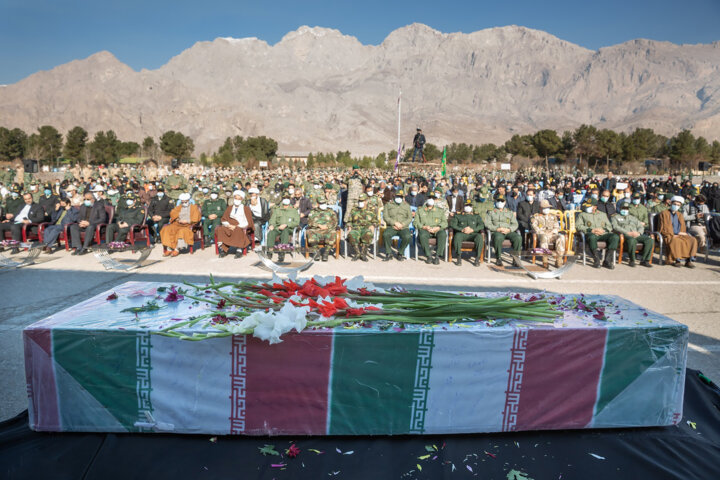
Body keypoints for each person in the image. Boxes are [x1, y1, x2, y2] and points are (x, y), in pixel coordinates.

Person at [575, 198, 619, 269]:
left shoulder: (602, 214)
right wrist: (591, 230)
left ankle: (607, 260)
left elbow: (609, 226)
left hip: (602, 233)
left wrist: (603, 230)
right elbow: (578, 226)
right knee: (592, 237)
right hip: (590, 233)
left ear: (595, 207)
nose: (587, 207)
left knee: (615, 237)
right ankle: (596, 260)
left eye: (589, 206)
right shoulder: (582, 214)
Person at [658, 196, 697, 268]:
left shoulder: (680, 215)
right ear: (671, 203)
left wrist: (682, 233)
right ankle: (677, 260)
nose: (676, 206)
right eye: (675, 204)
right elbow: (663, 228)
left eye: (678, 205)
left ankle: (688, 260)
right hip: (669, 235)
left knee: (692, 240)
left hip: (680, 234)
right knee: (676, 240)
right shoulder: (664, 213)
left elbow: (682, 228)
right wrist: (673, 234)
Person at [611, 203, 654, 268]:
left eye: (626, 209)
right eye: (623, 208)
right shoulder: (615, 217)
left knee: (649, 240)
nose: (625, 210)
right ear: (620, 209)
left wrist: (639, 233)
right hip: (625, 235)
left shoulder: (633, 218)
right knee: (632, 240)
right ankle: (632, 260)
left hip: (636, 234)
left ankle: (645, 260)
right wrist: (627, 232)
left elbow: (640, 226)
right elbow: (615, 227)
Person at [160, 193, 201, 257]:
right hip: (178, 224)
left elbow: (196, 218)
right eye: (182, 202)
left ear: (188, 201)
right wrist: (178, 219)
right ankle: (169, 248)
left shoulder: (194, 207)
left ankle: (177, 249)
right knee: (166, 229)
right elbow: (173, 214)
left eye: (185, 202)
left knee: (182, 231)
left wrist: (187, 221)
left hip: (188, 225)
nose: (184, 203)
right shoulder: (179, 207)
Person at [216, 191, 255, 258]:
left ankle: (239, 249)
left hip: (240, 226)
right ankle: (224, 249)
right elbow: (224, 219)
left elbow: (248, 221)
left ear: (242, 199)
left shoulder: (246, 208)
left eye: (239, 199)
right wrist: (228, 225)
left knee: (238, 230)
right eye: (236, 198)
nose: (237, 200)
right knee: (220, 229)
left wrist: (236, 226)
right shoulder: (229, 208)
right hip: (229, 225)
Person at [485, 194, 521, 267]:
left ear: (505, 202)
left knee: (518, 238)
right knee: (498, 238)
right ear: (495, 201)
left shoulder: (509, 212)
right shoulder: (491, 212)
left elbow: (515, 224)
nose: (500, 202)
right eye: (498, 201)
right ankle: (498, 258)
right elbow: (487, 224)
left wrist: (509, 229)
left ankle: (515, 259)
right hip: (497, 231)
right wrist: (497, 228)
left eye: (502, 201)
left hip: (508, 231)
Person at [449, 198, 484, 266]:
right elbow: (453, 225)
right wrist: (462, 229)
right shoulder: (458, 215)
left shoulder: (476, 216)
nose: (468, 207)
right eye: (466, 205)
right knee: (457, 236)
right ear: (464, 206)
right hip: (462, 233)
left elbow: (481, 225)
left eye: (470, 206)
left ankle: (477, 258)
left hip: (473, 233)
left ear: (472, 207)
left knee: (479, 237)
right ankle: (459, 257)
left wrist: (473, 229)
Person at [530, 200, 565, 268]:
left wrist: (552, 232)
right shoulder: (536, 217)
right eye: (544, 208)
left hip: (552, 234)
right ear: (540, 208)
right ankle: (545, 260)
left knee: (561, 237)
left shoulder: (553, 216)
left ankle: (559, 260)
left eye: (548, 208)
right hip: (542, 234)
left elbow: (557, 227)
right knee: (544, 237)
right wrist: (544, 233)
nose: (546, 209)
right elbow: (534, 227)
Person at [266, 193, 300, 262]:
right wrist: (271, 225)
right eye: (284, 198)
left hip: (289, 228)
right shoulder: (277, 209)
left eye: (287, 198)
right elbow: (272, 219)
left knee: (285, 231)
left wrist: (287, 224)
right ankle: (270, 252)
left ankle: (282, 252)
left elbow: (296, 222)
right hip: (278, 228)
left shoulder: (293, 210)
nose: (286, 200)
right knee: (271, 232)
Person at [415, 196, 448, 264]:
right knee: (422, 235)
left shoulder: (440, 210)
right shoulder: (420, 210)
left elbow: (445, 222)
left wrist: (438, 227)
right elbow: (415, 222)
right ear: (426, 200)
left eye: (433, 199)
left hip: (437, 229)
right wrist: (424, 227)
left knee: (443, 234)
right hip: (425, 229)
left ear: (435, 200)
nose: (431, 200)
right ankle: (428, 255)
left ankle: (437, 256)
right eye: (429, 198)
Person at [381, 189, 412, 261]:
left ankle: (400, 253)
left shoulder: (406, 206)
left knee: (407, 236)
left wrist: (402, 224)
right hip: (392, 226)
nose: (399, 198)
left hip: (403, 227)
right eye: (398, 196)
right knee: (386, 234)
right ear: (394, 196)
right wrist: (394, 223)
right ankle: (388, 253)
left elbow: (409, 218)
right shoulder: (388, 205)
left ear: (403, 197)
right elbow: (385, 216)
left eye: (401, 197)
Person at [346, 193, 377, 262]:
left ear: (366, 201)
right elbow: (349, 221)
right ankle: (357, 253)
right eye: (359, 201)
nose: (361, 202)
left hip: (366, 228)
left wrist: (373, 225)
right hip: (356, 228)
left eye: (362, 201)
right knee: (351, 235)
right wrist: (349, 226)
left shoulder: (371, 210)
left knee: (368, 234)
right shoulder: (354, 210)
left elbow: (375, 221)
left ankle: (363, 254)